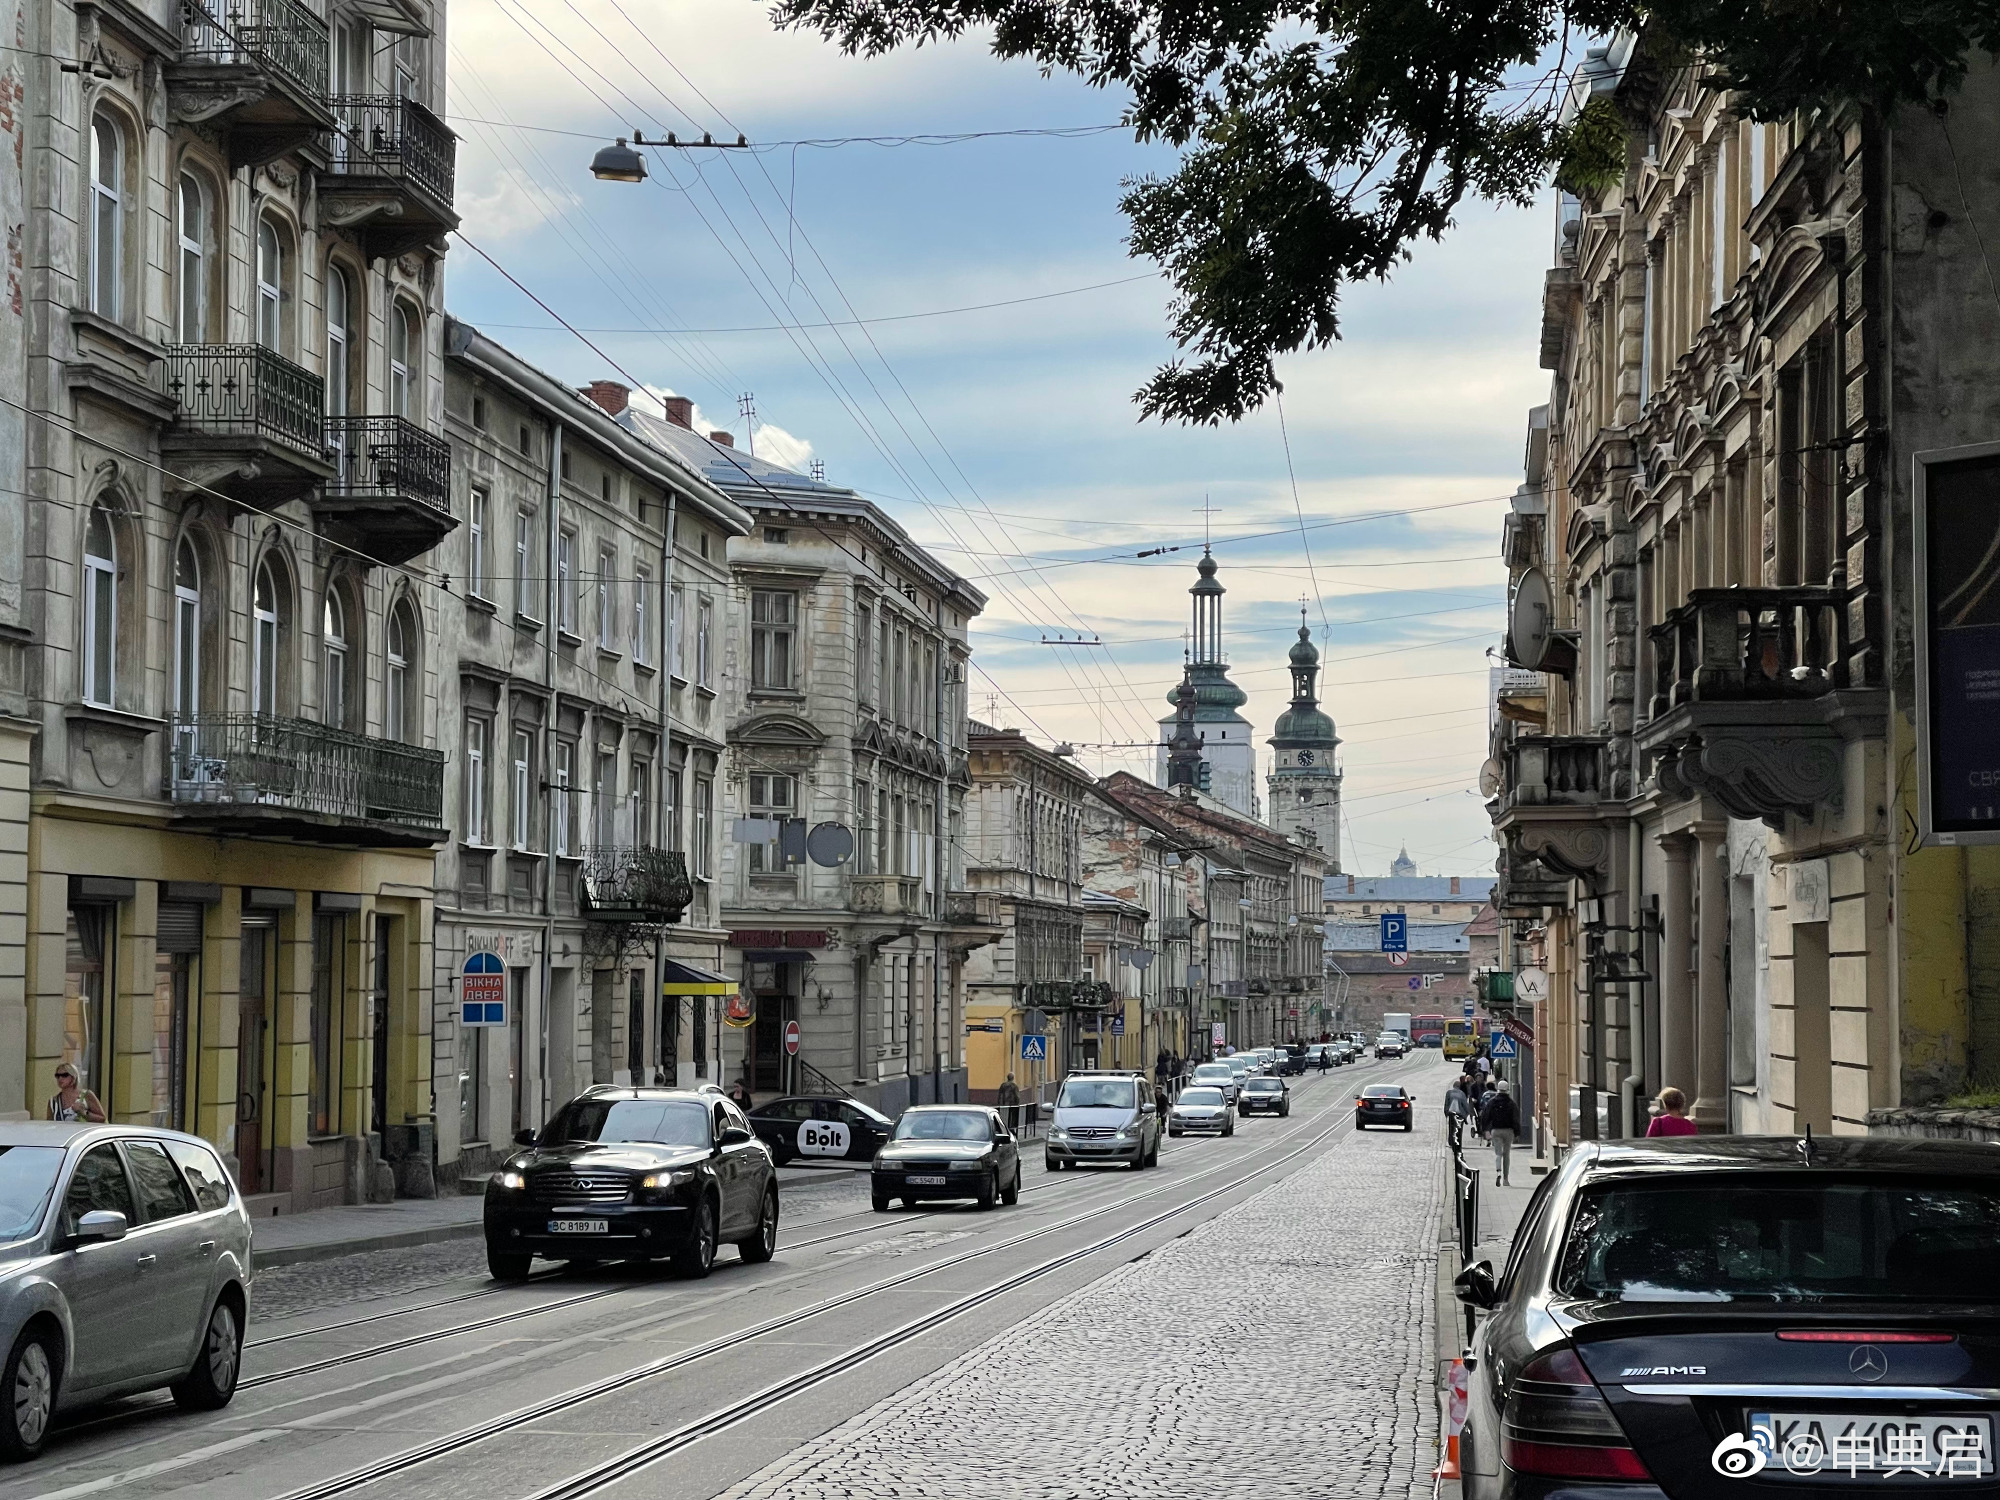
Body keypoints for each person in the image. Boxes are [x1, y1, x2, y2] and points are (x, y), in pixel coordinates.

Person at [1478, 1080, 1519, 1184]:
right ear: (1507, 1090)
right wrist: (1517, 1132)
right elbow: (1515, 1118)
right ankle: (1505, 1179)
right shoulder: (1511, 1103)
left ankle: (1498, 1172)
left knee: (1498, 1154)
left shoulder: (1492, 1102)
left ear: (1498, 1089)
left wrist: (1485, 1130)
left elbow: (1485, 1116)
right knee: (1506, 1154)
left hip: (1495, 1130)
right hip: (1508, 1131)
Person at [1443, 1076, 1471, 1153]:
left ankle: (1451, 1142)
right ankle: (1458, 1144)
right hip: (1460, 1114)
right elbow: (1465, 1105)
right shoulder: (1462, 1094)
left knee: (1451, 1128)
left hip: (1451, 1113)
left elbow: (1446, 1104)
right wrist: (1466, 1116)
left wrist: (1446, 1113)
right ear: (1459, 1086)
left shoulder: (1449, 1093)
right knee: (1459, 1129)